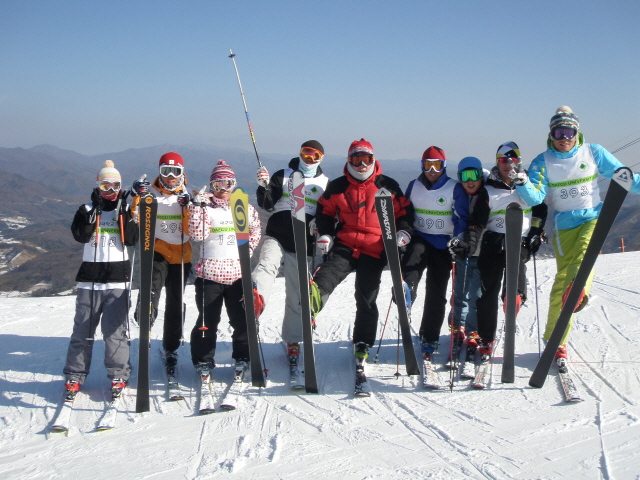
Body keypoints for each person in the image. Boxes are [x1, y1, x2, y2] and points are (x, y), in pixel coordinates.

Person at [517, 106, 640, 362]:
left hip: (593, 218)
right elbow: (535, 198)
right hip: (564, 226)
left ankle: (579, 288)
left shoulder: (593, 152)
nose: (564, 137)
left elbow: (623, 177)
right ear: (551, 134)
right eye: (558, 132)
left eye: (568, 132)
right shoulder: (543, 161)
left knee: (584, 256)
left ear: (577, 133)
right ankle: (556, 340)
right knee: (562, 281)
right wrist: (523, 183)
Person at [310, 138, 413, 363]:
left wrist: (404, 232)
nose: (362, 165)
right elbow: (325, 211)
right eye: (357, 160)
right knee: (329, 272)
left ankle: (363, 341)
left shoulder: (388, 186)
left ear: (374, 160)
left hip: (375, 247)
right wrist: (326, 233)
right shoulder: (338, 186)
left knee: (366, 295)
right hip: (346, 243)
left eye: (366, 159)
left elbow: (404, 213)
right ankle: (311, 303)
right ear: (349, 161)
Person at [458, 142, 547, 361]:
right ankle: (487, 339)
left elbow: (540, 209)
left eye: (512, 160)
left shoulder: (528, 186)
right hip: (493, 241)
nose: (507, 165)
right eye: (502, 161)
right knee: (487, 294)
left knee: (516, 261)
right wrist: (469, 243)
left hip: (520, 240)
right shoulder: (488, 189)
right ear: (497, 163)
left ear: (519, 161)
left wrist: (536, 232)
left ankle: (514, 295)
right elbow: (478, 222)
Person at [63, 160, 138, 399]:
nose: (111, 191)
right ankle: (75, 374)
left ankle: (118, 374)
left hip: (118, 280)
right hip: (90, 280)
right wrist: (95, 209)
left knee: (115, 332)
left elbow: (132, 239)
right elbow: (81, 236)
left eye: (115, 186)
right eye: (106, 186)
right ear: (98, 186)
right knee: (82, 331)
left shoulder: (126, 209)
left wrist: (125, 210)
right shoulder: (86, 209)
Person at [252, 140, 329, 367]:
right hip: (277, 233)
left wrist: (320, 224)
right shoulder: (283, 175)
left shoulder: (325, 183)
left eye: (315, 155)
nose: (309, 159)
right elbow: (267, 204)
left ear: (321, 158)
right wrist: (263, 186)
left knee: (297, 294)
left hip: (302, 242)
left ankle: (293, 339)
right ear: (299, 153)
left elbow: (327, 213)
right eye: (306, 153)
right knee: (267, 264)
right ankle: (256, 297)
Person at [187, 160, 261, 379]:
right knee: (207, 321)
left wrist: (247, 251)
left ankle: (242, 356)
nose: (223, 189)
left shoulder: (244, 207)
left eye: (227, 183)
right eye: (217, 184)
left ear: (234, 184)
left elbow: (255, 230)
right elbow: (197, 235)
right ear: (212, 186)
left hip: (238, 275)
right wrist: (197, 208)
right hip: (209, 275)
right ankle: (203, 359)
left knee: (241, 320)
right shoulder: (205, 208)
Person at [400, 146, 468, 362]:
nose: (431, 170)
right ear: (421, 166)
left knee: (436, 291)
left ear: (444, 166)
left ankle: (429, 336)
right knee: (412, 261)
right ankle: (406, 291)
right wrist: (403, 231)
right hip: (420, 237)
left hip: (444, 243)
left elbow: (462, 217)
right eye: (427, 165)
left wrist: (459, 239)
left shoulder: (453, 188)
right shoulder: (414, 186)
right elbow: (405, 212)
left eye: (436, 165)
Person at [130, 152, 192, 376]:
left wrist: (189, 207)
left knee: (175, 302)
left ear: (182, 173)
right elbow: (135, 218)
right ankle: (145, 319)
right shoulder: (150, 194)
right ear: (159, 171)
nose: (171, 177)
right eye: (166, 171)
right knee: (151, 291)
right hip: (157, 250)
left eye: (176, 172)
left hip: (182, 254)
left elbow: (194, 228)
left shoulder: (188, 195)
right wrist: (135, 196)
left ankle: (171, 347)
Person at [447, 157, 486, 357]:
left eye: (474, 175)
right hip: (463, 251)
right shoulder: (458, 194)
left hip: (482, 252)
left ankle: (473, 329)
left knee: (476, 294)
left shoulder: (488, 193)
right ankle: (457, 325)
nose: (470, 181)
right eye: (465, 176)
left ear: (481, 175)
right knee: (460, 290)